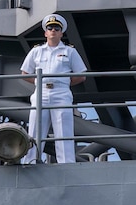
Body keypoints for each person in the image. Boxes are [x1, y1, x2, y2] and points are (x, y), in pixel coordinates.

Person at [20, 14, 87, 164]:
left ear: (61, 33)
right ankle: (30, 161)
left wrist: (63, 83)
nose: (53, 31)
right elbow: (25, 73)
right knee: (35, 130)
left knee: (63, 130)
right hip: (41, 93)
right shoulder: (36, 51)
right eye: (50, 28)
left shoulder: (70, 51)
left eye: (57, 28)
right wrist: (39, 82)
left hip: (61, 93)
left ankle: (66, 163)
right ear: (45, 32)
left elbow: (81, 76)